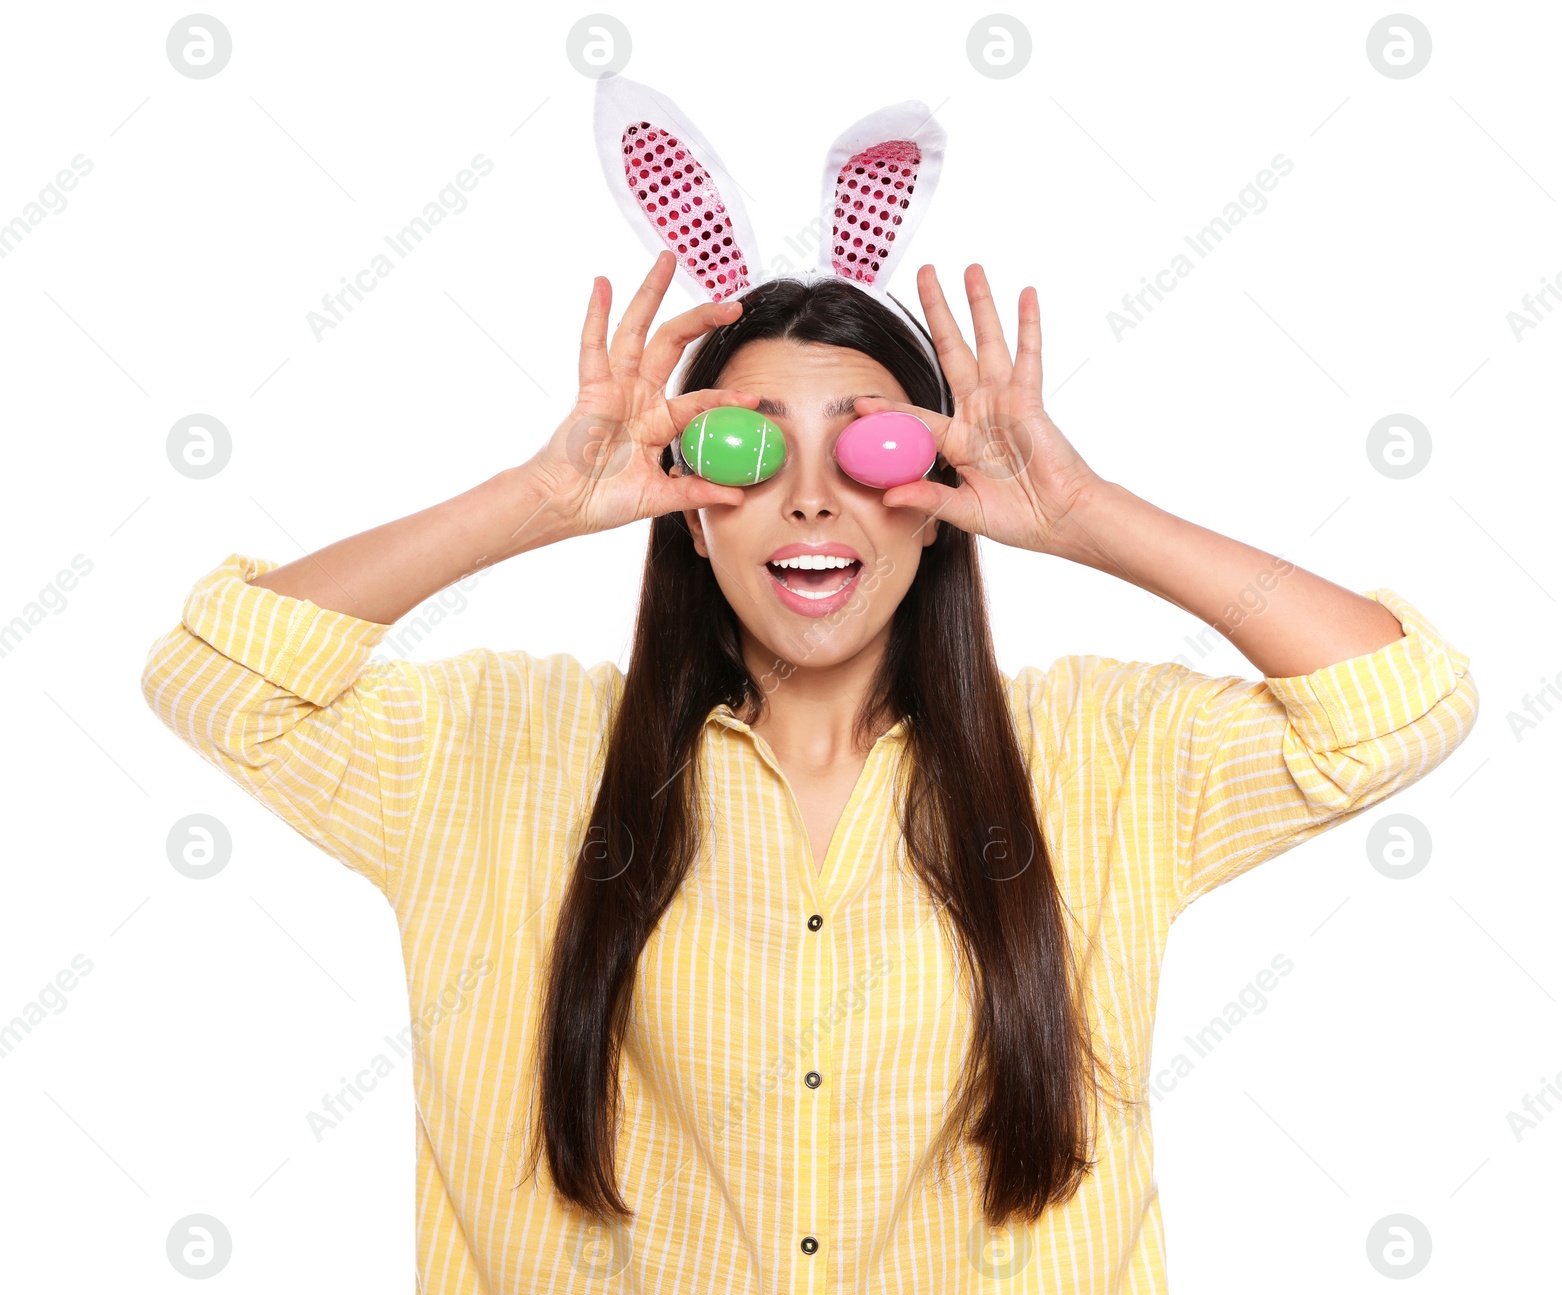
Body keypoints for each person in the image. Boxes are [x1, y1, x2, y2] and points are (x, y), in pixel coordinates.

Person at [140, 251, 1479, 1291]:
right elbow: (216, 674)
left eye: (870, 444)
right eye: (754, 447)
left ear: (935, 492)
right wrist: (535, 499)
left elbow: (1396, 703)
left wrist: (1087, 517)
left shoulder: (1095, 757)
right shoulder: (499, 752)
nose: (814, 500)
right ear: (691, 498)